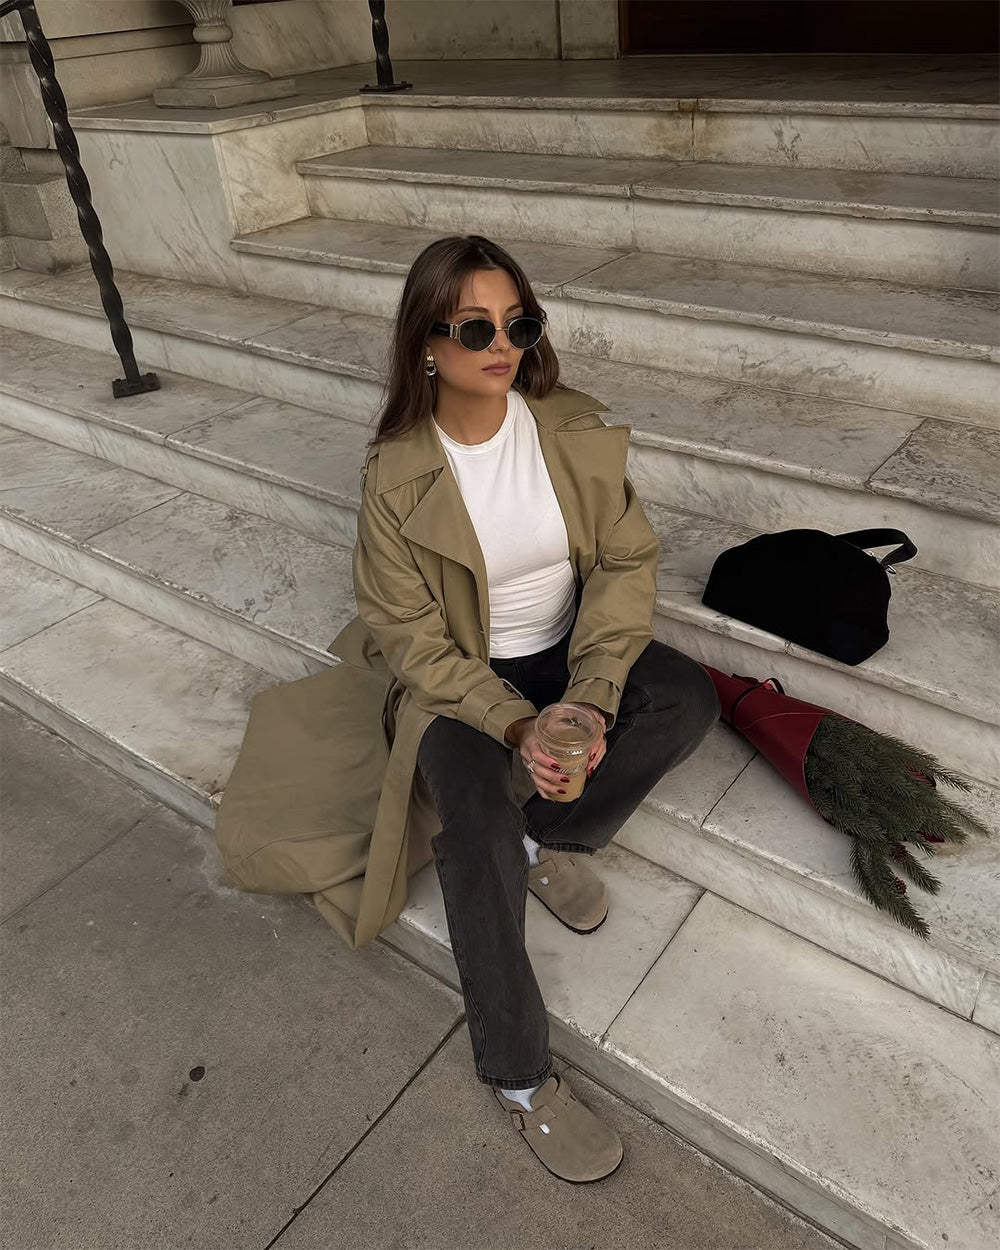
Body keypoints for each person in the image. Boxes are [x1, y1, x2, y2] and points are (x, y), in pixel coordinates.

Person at [348, 234, 720, 1182]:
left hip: (565, 649)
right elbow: (410, 639)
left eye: (520, 323)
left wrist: (590, 697)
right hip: (463, 675)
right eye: (475, 328)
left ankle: (547, 835)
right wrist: (513, 722)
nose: (503, 344)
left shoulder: (570, 428)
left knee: (683, 697)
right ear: (426, 343)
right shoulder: (396, 474)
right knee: (472, 829)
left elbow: (627, 560)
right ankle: (519, 1078)